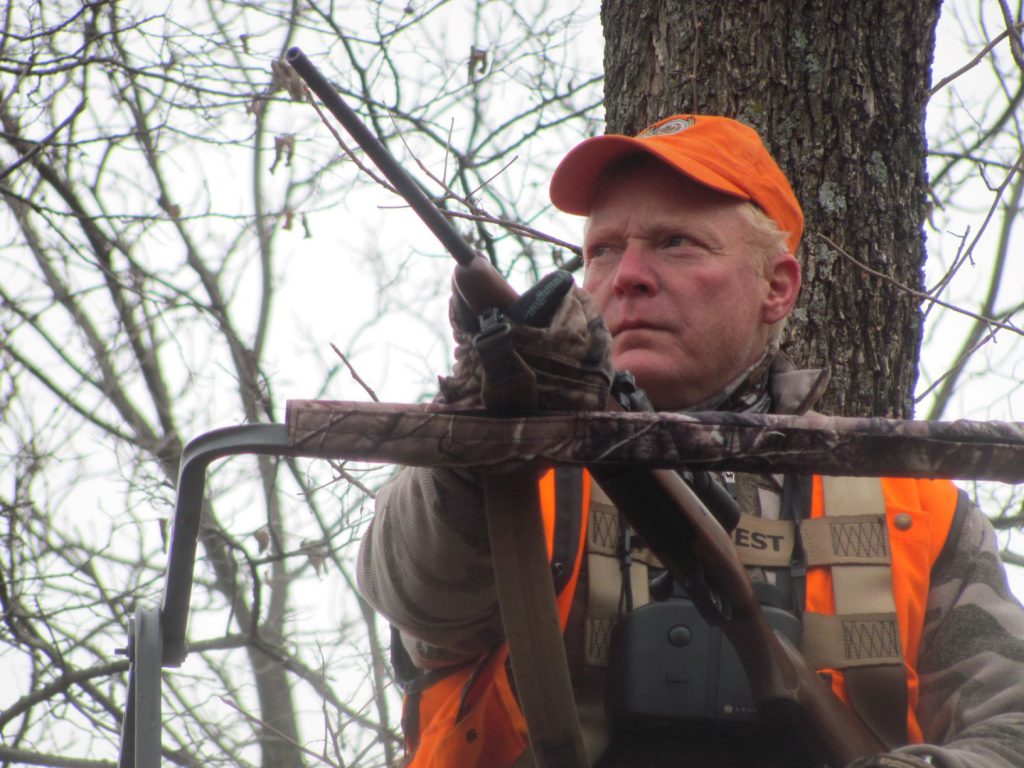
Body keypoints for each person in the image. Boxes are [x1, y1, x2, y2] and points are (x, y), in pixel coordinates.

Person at [356, 115, 1024, 768]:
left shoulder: (918, 511)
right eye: (603, 250)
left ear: (777, 287)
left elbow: (1011, 726)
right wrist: (486, 423)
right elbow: (420, 598)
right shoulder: (508, 468)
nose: (627, 276)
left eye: (676, 242)